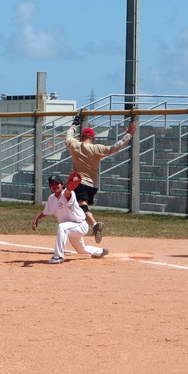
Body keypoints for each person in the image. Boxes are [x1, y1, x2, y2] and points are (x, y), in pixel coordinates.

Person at [65, 111, 136, 243]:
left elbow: (68, 136)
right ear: (93, 138)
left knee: (80, 204)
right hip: (93, 185)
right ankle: (81, 231)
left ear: (81, 137)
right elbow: (116, 147)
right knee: (78, 206)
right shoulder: (97, 148)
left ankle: (94, 224)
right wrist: (128, 135)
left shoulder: (75, 145)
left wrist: (74, 124)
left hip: (79, 182)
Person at [32, 171, 109, 264]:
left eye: (57, 183)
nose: (55, 186)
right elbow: (46, 212)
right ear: (50, 187)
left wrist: (70, 187)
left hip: (80, 225)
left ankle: (58, 256)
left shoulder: (67, 194)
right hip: (71, 228)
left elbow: (67, 194)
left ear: (62, 184)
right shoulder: (51, 198)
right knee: (81, 250)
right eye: (52, 184)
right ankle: (101, 251)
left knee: (62, 227)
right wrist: (37, 218)